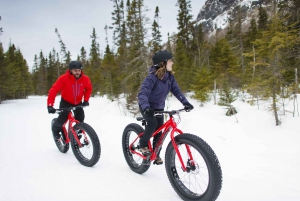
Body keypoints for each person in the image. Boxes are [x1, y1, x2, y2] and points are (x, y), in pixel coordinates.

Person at [137, 50, 194, 165]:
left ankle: (155, 153)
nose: (172, 63)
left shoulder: (169, 77)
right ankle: (142, 144)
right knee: (152, 124)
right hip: (147, 107)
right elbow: (142, 94)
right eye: (170, 61)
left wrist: (185, 102)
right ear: (162, 63)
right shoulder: (151, 78)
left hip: (159, 108)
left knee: (159, 131)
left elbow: (177, 91)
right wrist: (146, 107)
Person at [47, 60, 92, 140]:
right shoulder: (64, 78)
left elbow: (88, 89)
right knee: (63, 118)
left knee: (80, 118)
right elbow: (54, 90)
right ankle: (55, 131)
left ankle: (77, 134)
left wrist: (86, 100)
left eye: (79, 70)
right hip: (66, 102)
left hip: (78, 102)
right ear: (70, 70)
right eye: (75, 71)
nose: (77, 72)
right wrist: (50, 105)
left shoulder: (85, 79)